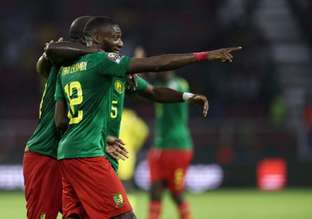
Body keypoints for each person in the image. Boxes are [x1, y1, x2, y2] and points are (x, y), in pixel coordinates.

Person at [47, 16, 241, 219]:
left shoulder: (67, 70)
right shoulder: (102, 62)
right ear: (96, 38)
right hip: (89, 154)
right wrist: (204, 56)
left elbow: (153, 92)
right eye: (115, 38)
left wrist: (187, 97)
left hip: (68, 154)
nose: (121, 43)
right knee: (125, 216)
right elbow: (155, 64)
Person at [23, 16, 92, 219]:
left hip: (66, 156)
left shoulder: (81, 63)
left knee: (81, 213)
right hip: (45, 153)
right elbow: (51, 52)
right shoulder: (66, 57)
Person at [148, 71, 199, 219]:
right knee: (155, 191)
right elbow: (140, 87)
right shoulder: (157, 87)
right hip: (159, 146)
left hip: (178, 146)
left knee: (176, 193)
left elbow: (176, 90)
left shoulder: (180, 83)